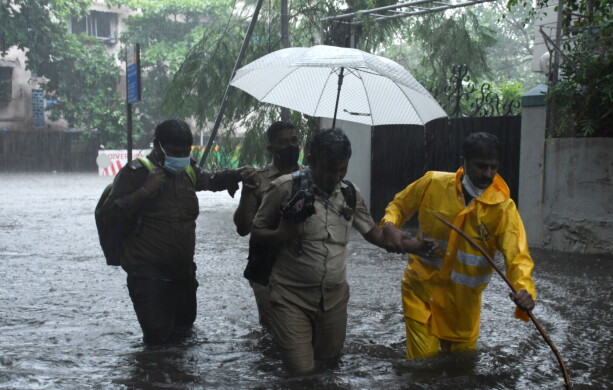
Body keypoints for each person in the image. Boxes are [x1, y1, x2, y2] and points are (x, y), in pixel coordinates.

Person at [251, 128, 429, 373]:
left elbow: (373, 233)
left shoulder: (349, 194)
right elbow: (256, 231)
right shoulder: (284, 189)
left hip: (333, 301)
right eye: (327, 169)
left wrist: (413, 245)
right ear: (311, 161)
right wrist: (283, 234)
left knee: (329, 366)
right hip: (290, 298)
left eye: (341, 170)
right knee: (301, 371)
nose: (334, 176)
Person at [101, 118, 258, 345]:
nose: (180, 157)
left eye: (185, 152)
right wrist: (145, 190)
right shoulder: (134, 173)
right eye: (174, 152)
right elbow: (110, 215)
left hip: (183, 274)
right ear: (158, 145)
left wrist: (237, 175)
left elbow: (210, 180)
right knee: (157, 343)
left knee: (184, 337)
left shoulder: (188, 170)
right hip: (148, 276)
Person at [380, 131, 536, 359]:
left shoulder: (504, 209)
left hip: (463, 308)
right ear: (462, 162)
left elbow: (518, 256)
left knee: (462, 370)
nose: (488, 174)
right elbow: (399, 205)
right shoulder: (432, 183)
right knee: (424, 366)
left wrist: (525, 289)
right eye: (481, 166)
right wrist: (389, 225)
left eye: (494, 167)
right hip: (421, 293)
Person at [233, 121, 302, 326]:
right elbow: (243, 228)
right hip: (267, 269)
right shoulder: (259, 180)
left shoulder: (311, 177)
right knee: (273, 330)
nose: (290, 146)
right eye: (283, 142)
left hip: (303, 266)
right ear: (271, 149)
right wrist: (247, 191)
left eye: (294, 141)